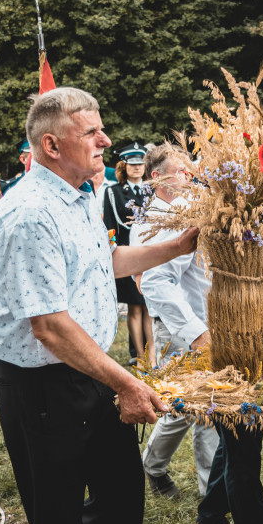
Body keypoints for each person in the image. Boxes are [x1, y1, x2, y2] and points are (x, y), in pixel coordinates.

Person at [0, 87, 198, 524]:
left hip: (90, 371)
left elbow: (105, 261)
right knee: (59, 523)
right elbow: (49, 327)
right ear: (52, 145)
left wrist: (177, 246)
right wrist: (126, 382)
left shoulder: (78, 197)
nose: (106, 140)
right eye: (91, 133)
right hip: (44, 387)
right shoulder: (31, 213)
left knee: (121, 501)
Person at [132, 144, 221, 503]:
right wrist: (195, 331)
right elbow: (151, 281)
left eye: (190, 169)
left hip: (203, 319)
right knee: (196, 405)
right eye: (182, 171)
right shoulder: (153, 220)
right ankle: (210, 498)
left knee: (193, 404)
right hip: (179, 324)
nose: (190, 176)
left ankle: (157, 467)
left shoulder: (189, 209)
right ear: (157, 177)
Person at [103, 142, 154, 367]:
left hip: (150, 254)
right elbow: (111, 225)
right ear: (124, 166)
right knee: (135, 307)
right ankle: (140, 357)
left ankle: (152, 356)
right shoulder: (113, 192)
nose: (137, 167)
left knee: (149, 307)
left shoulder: (152, 189)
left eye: (140, 164)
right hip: (128, 255)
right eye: (132, 164)